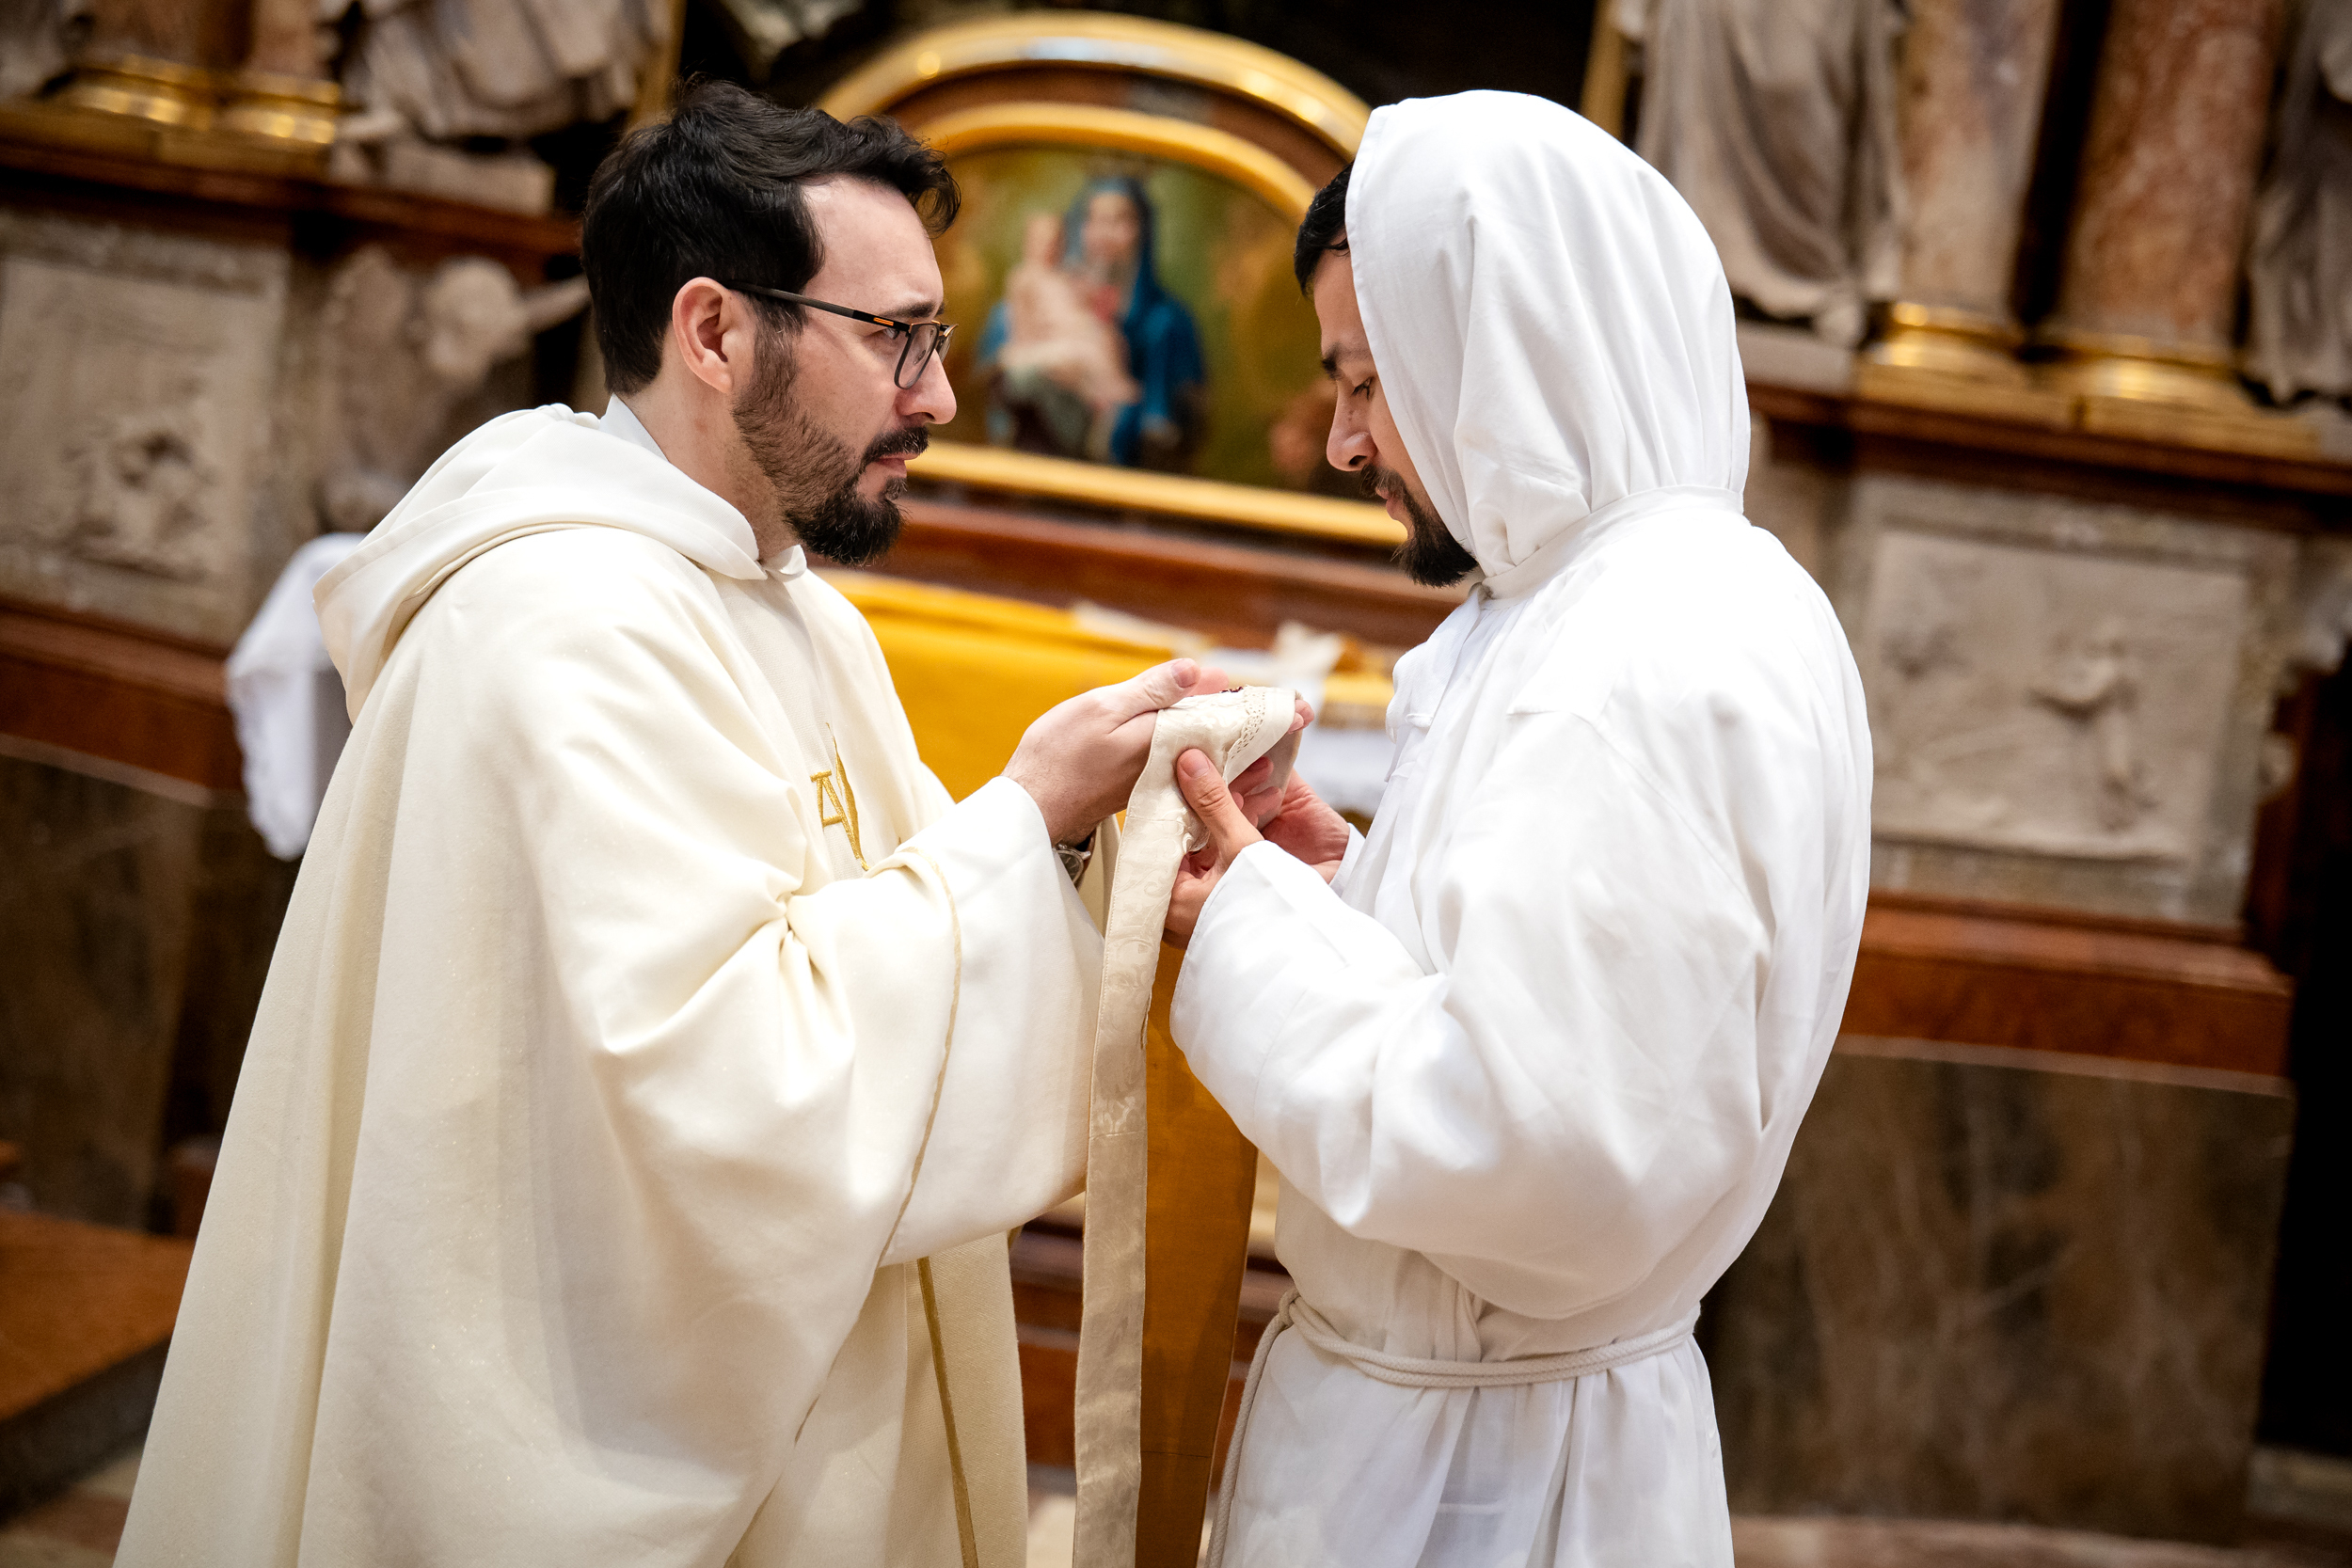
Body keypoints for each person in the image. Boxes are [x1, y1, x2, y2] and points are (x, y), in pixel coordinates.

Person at [118, 82, 1291, 1568]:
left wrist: (1081, 845)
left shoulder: (785, 603)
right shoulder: (561, 627)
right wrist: (1022, 814)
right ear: (717, 331)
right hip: (593, 1423)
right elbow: (730, 1088)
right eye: (898, 338)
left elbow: (886, 929)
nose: (939, 395)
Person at [1162, 91, 1872, 1566]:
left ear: (1504, 343)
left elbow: (1529, 1152)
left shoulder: (1643, 651)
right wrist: (1342, 894)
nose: (1344, 441)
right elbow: (1552, 1005)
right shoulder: (1605, 599)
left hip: (1478, 1485)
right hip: (1477, 1424)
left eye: (1369, 381)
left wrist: (1246, 930)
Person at [981, 177, 1204, 468]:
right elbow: (992, 407)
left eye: (1120, 221)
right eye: (1094, 221)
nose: (1104, 236)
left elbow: (1182, 427)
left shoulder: (1167, 323)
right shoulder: (1011, 312)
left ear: (1144, 232)